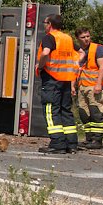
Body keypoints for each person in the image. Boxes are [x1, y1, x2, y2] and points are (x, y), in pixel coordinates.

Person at [35, 14, 80, 154]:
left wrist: (41, 66)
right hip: (66, 80)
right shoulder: (68, 38)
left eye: (45, 22)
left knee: (51, 110)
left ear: (50, 24)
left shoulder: (50, 37)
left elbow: (45, 53)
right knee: (65, 111)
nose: (44, 25)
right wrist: (75, 68)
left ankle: (57, 143)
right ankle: (71, 143)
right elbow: (81, 53)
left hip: (52, 79)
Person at [74, 27, 103, 149]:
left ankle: (97, 140)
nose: (86, 39)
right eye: (83, 37)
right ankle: (89, 138)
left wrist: (99, 84)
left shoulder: (97, 48)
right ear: (78, 38)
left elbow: (102, 67)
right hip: (82, 87)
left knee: (96, 113)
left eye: (88, 36)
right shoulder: (78, 51)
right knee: (84, 114)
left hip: (94, 87)